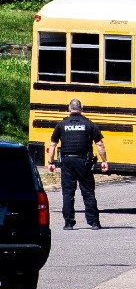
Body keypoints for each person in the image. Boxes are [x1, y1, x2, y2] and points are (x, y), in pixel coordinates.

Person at [48, 98, 108, 230]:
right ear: (82, 109)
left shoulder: (61, 125)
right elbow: (99, 144)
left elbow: (53, 145)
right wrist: (104, 161)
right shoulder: (89, 124)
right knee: (88, 192)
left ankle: (68, 223)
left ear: (69, 108)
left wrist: (51, 162)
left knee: (68, 192)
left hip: (67, 162)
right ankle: (94, 223)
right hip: (83, 162)